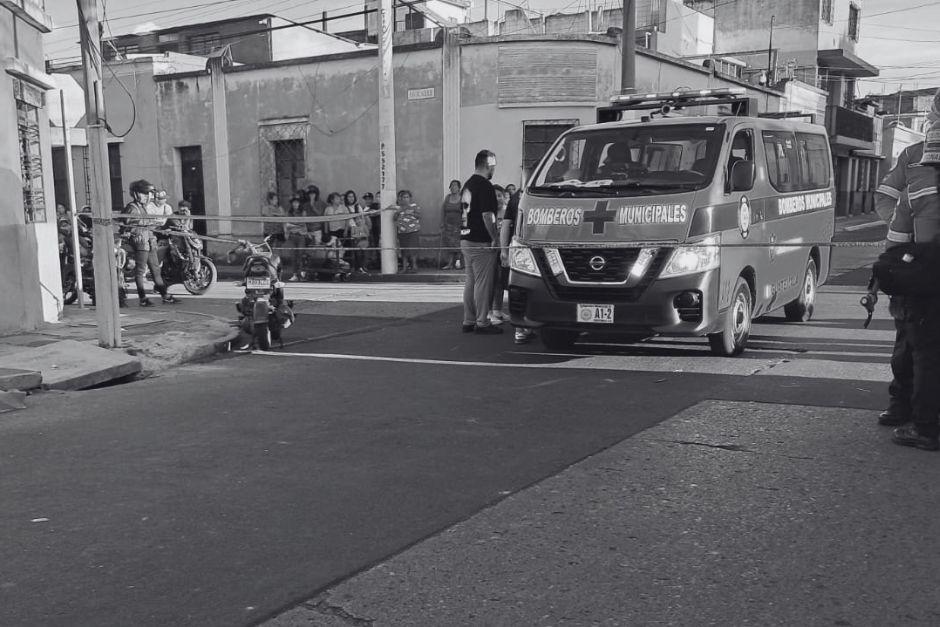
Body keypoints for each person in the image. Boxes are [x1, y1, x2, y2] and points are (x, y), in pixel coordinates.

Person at [874, 94, 940, 451]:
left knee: (923, 350)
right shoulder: (912, 156)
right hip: (919, 268)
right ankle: (903, 407)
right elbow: (887, 198)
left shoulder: (919, 163)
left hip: (923, 270)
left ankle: (925, 422)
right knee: (910, 345)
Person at [460, 149, 502, 334]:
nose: (494, 169)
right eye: (493, 166)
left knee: (471, 281)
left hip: (466, 238)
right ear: (489, 165)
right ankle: (482, 322)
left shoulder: (467, 184)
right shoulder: (485, 186)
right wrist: (495, 237)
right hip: (480, 240)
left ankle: (468, 320)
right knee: (483, 283)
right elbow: (488, 215)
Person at [121, 179, 178, 306]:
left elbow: (147, 223)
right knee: (140, 271)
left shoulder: (144, 207)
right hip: (140, 241)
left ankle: (165, 295)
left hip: (150, 240)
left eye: (149, 194)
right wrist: (142, 225)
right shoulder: (132, 208)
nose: (147, 197)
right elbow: (125, 226)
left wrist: (156, 226)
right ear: (136, 194)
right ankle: (142, 298)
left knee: (156, 269)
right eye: (144, 194)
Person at [499, 185, 535, 344]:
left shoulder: (515, 198)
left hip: (517, 247)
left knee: (518, 288)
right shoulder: (541, 195)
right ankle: (526, 327)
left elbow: (506, 226)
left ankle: (520, 329)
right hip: (535, 248)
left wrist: (504, 250)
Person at [488, 185, 511, 325]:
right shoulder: (489, 214)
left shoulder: (507, 212)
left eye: (499, 195)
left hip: (504, 251)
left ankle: (497, 309)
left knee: (500, 281)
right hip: (491, 251)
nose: (497, 199)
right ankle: (488, 312)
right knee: (490, 282)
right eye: (494, 196)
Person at [395, 189, 421, 273]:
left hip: (413, 231)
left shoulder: (414, 206)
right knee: (404, 250)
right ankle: (404, 267)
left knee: (413, 249)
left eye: (407, 197)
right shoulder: (398, 208)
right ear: (400, 199)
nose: (405, 199)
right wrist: (398, 212)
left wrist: (411, 213)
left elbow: (419, 216)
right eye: (403, 197)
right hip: (402, 232)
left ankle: (414, 266)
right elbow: (394, 218)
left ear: (410, 198)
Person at [345, 190, 371, 274]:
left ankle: (362, 266)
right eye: (349, 196)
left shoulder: (357, 206)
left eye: (352, 196)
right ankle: (354, 267)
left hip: (359, 230)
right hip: (351, 230)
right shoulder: (345, 207)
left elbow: (362, 217)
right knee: (354, 250)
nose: (351, 198)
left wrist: (361, 228)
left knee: (363, 249)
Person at [440, 179, 463, 270]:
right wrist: (442, 222)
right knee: (449, 245)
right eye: (452, 185)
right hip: (448, 225)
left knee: (458, 244)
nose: (453, 187)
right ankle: (449, 263)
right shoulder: (447, 197)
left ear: (459, 188)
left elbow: (465, 211)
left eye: (455, 185)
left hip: (459, 225)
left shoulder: (462, 198)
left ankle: (458, 263)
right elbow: (443, 211)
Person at [284, 195, 308, 281]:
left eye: (297, 202)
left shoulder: (303, 212)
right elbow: (287, 225)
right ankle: (294, 275)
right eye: (294, 202)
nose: (295, 204)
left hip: (301, 236)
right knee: (293, 256)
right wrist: (296, 225)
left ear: (299, 203)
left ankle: (302, 275)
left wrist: (292, 225)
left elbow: (303, 223)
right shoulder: (289, 213)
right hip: (292, 236)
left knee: (301, 255)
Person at [324, 192, 350, 266]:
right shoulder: (328, 209)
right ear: (332, 200)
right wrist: (326, 232)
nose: (339, 200)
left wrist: (346, 230)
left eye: (339, 198)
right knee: (333, 249)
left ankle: (345, 264)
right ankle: (333, 264)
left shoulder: (344, 208)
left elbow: (347, 220)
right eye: (337, 198)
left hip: (341, 230)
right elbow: (326, 221)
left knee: (342, 248)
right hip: (332, 231)